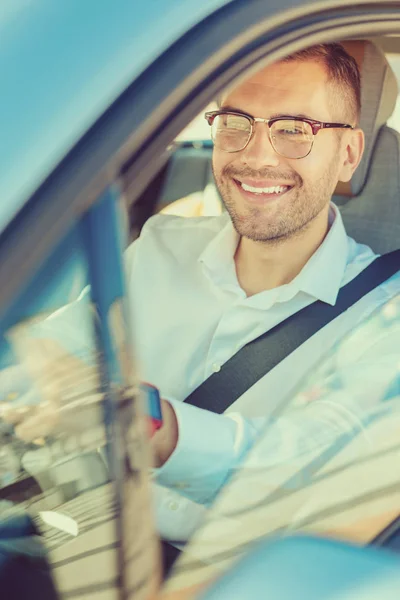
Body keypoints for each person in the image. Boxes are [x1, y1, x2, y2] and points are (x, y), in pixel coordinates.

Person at [1, 44, 400, 545]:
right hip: (84, 545)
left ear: (348, 154)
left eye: (295, 130)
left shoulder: (386, 312)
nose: (256, 156)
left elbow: (305, 464)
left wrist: (150, 423)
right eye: (236, 121)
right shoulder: (162, 244)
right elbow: (59, 352)